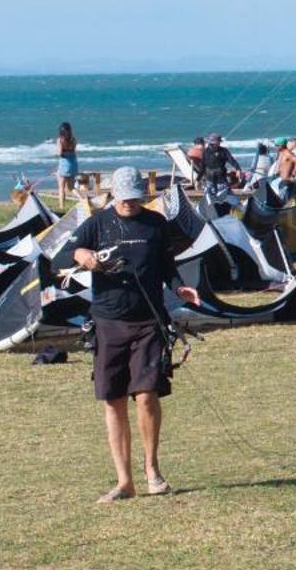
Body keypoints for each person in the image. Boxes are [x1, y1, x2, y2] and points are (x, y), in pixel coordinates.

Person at [68, 167, 202, 502]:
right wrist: (86, 258)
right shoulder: (98, 223)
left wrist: (178, 287)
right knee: (113, 401)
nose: (129, 203)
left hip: (148, 321)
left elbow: (167, 266)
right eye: (123, 197)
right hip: (108, 321)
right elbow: (72, 250)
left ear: (143, 195)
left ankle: (152, 471)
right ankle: (124, 482)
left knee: (146, 395)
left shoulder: (156, 224)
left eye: (135, 197)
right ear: (113, 193)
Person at [53, 121, 79, 208]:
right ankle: (82, 199)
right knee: (71, 187)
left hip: (64, 164)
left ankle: (61, 206)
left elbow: (60, 153)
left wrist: (56, 153)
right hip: (73, 163)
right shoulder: (73, 139)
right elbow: (73, 152)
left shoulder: (60, 140)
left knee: (61, 187)